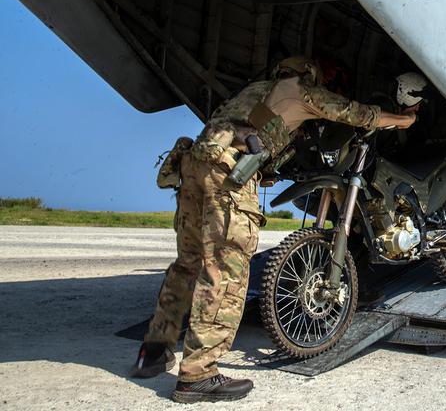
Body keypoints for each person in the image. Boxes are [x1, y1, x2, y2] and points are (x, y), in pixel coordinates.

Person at [130, 56, 415, 403]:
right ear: (308, 74)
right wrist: (401, 120)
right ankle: (198, 375)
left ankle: (154, 351)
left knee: (187, 264)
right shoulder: (300, 92)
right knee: (225, 273)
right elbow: (357, 114)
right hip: (226, 174)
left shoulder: (252, 91)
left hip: (193, 167)